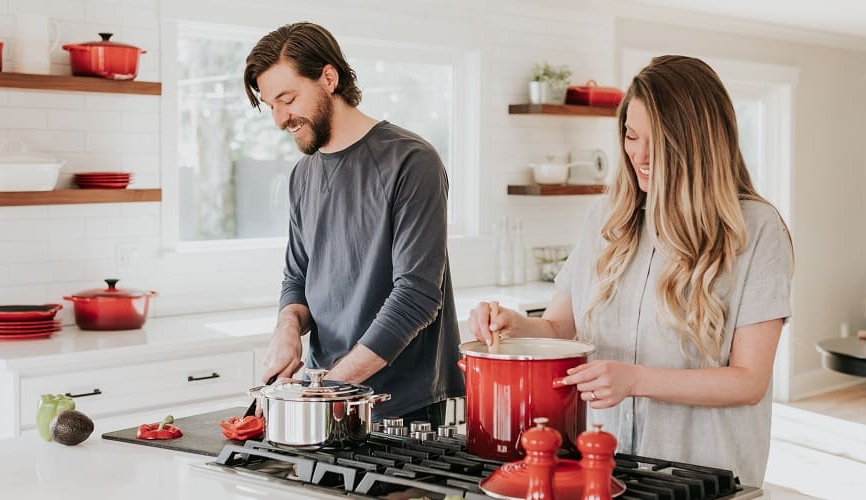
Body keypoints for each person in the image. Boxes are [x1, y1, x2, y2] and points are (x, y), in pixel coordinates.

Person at [469, 55, 793, 486]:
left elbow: (748, 380)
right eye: (631, 135)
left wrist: (636, 380)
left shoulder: (756, 229)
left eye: (656, 140)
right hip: (603, 468)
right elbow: (561, 327)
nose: (639, 155)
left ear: (698, 142)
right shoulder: (606, 218)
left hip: (700, 475)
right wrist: (516, 326)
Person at [244, 22, 464, 429]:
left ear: (329, 78)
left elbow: (417, 295)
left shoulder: (412, 161)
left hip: (401, 406)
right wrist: (287, 328)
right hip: (322, 396)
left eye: (287, 99)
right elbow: (298, 277)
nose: (279, 119)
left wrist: (326, 390)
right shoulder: (302, 175)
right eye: (269, 105)